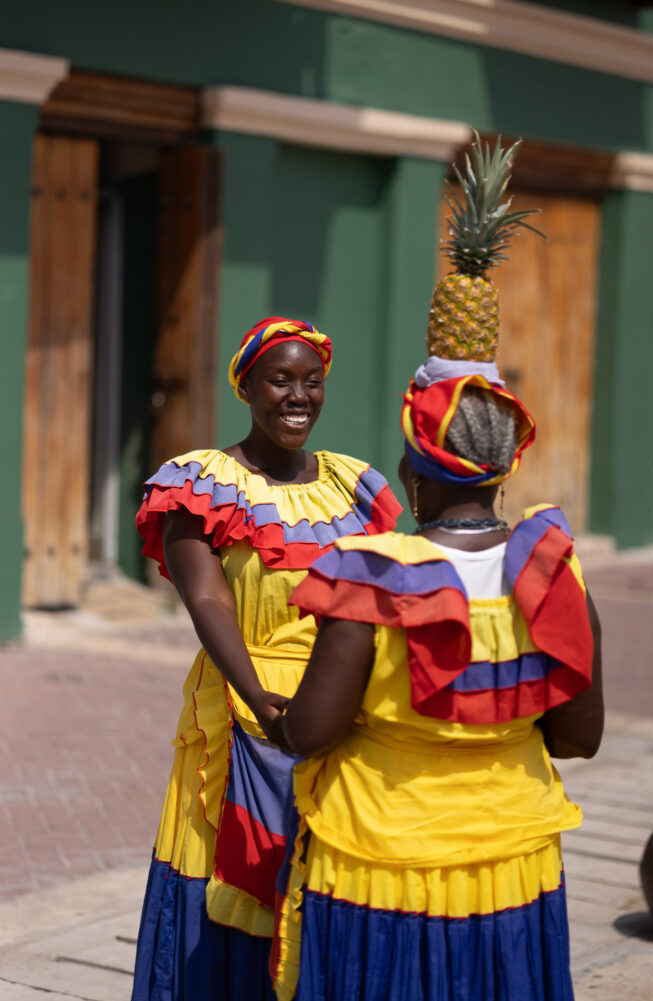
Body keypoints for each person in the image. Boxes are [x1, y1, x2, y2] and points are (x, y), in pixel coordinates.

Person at [271, 372, 603, 1001]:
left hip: (380, 862)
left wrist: (278, 717)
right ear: (502, 470)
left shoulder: (372, 575)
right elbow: (579, 739)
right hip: (511, 864)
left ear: (411, 471)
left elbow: (311, 734)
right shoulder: (553, 571)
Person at [130, 317, 402, 1001]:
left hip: (337, 718)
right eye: (280, 379)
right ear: (246, 385)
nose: (297, 395)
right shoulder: (204, 483)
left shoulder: (352, 486)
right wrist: (255, 695)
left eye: (311, 382)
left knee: (320, 880)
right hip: (242, 711)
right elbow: (206, 597)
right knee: (230, 870)